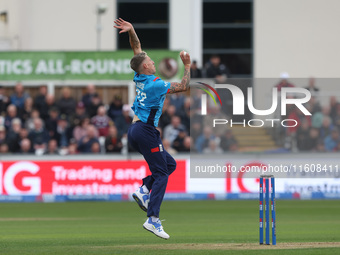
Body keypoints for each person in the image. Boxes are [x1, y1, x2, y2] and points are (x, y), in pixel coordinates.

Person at [114, 18, 190, 239]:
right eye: (150, 60)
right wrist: (186, 65)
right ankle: (153, 219)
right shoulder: (156, 84)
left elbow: (136, 49)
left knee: (170, 164)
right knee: (162, 173)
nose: (152, 61)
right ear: (146, 66)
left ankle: (144, 189)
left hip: (136, 131)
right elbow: (184, 86)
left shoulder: (139, 77)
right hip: (146, 131)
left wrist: (132, 30)